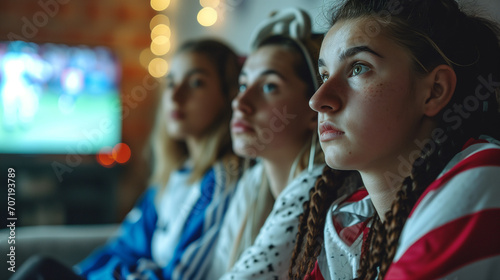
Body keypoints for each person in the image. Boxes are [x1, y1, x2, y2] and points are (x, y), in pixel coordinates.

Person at [290, 0, 500, 279]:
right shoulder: (351, 222)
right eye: (325, 75)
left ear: (434, 91)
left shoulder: (484, 172)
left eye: (358, 68)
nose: (318, 100)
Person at [11, 38, 243, 280]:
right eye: (171, 82)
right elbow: (125, 246)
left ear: (229, 96)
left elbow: (178, 276)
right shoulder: (175, 176)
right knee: (42, 269)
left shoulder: (220, 182)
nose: (176, 95)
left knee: (40, 267)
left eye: (196, 83)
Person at [206, 8, 357, 280]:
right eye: (243, 85)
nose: (240, 103)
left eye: (269, 87)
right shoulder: (251, 184)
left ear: (315, 108)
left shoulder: (318, 190)